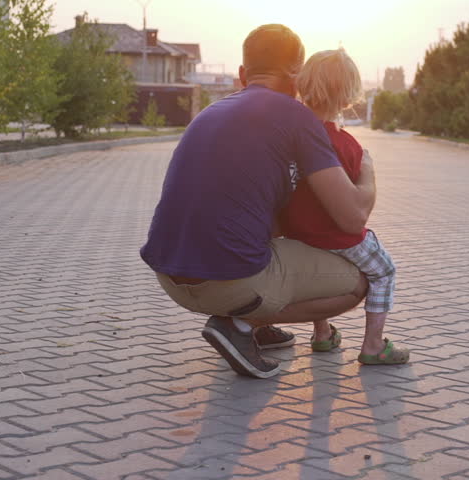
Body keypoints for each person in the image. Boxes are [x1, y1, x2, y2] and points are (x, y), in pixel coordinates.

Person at [140, 24, 376, 379]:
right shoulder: (297, 119)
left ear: (241, 75)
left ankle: (256, 325)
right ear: (297, 74)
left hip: (168, 276)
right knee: (360, 280)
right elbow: (352, 218)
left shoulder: (210, 113)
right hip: (227, 283)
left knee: (270, 229)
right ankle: (242, 323)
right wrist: (368, 172)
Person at [282, 49, 409, 365]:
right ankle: (373, 344)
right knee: (384, 270)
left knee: (316, 281)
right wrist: (369, 174)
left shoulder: (287, 137)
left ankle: (323, 333)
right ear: (348, 95)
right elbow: (356, 204)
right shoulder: (346, 145)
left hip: (297, 234)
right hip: (338, 238)